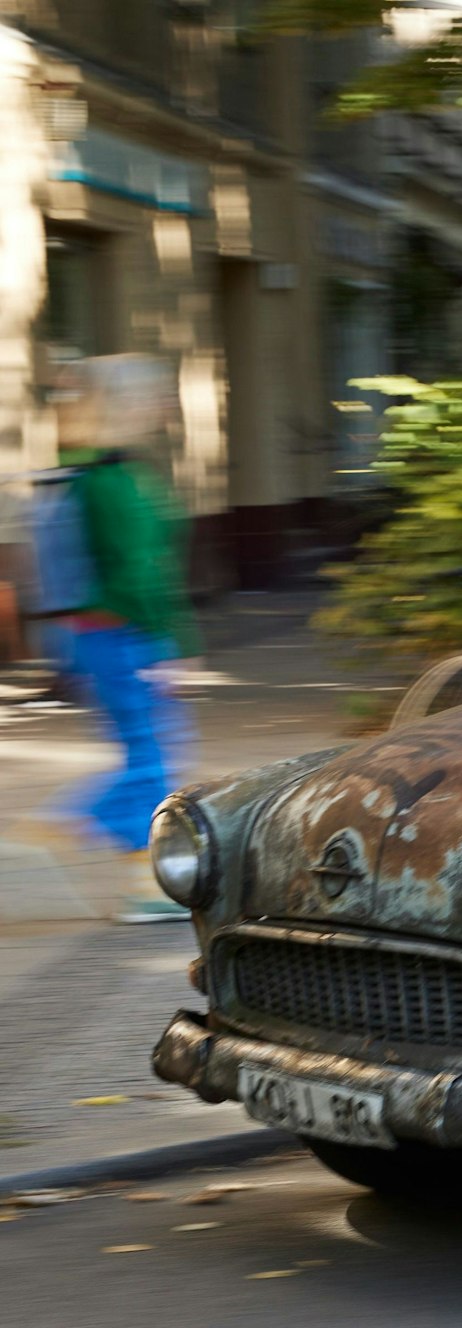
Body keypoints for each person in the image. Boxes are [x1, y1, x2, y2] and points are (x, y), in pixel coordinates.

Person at [43, 355, 201, 922]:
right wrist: (171, 642)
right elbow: (138, 571)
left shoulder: (103, 473)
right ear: (124, 405)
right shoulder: (111, 481)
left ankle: (99, 835)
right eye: (153, 395)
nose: (163, 405)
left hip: (107, 635)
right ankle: (94, 833)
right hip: (124, 634)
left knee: (150, 752)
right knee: (151, 757)